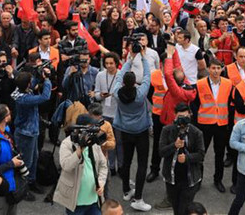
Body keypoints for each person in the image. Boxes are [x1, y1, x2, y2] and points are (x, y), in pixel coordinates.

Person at [112, 47, 151, 212]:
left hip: (125, 131)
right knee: (142, 164)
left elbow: (119, 75)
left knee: (126, 161)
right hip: (141, 132)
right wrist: (142, 57)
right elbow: (148, 76)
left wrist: (129, 58)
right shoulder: (141, 93)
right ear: (135, 82)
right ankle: (138, 199)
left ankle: (126, 190)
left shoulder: (116, 92)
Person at [54, 113, 109, 215]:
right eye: (89, 129)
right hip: (75, 203)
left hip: (94, 201)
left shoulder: (94, 143)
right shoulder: (67, 144)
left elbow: (103, 165)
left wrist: (101, 182)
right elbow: (66, 166)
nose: (91, 133)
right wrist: (80, 149)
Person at [160, 103, 205, 215]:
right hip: (172, 179)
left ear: (190, 115)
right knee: (176, 208)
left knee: (184, 210)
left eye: (186, 117)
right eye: (180, 117)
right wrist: (174, 145)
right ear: (175, 116)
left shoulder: (197, 133)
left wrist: (187, 158)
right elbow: (161, 151)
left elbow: (201, 154)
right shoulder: (167, 130)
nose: (183, 120)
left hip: (190, 180)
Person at [196, 58, 233, 192]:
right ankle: (197, 179)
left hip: (221, 124)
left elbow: (229, 103)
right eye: (213, 68)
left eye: (218, 68)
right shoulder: (200, 84)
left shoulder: (228, 84)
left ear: (222, 69)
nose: (216, 71)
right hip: (204, 124)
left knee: (220, 154)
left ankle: (218, 180)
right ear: (209, 69)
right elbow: (195, 105)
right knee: (201, 153)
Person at [13, 69, 52, 196]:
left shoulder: (18, 92)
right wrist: (46, 80)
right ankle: (23, 188)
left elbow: (29, 84)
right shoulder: (26, 99)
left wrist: (37, 75)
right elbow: (45, 97)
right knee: (26, 161)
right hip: (26, 133)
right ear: (28, 84)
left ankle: (31, 181)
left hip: (30, 131)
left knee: (34, 158)